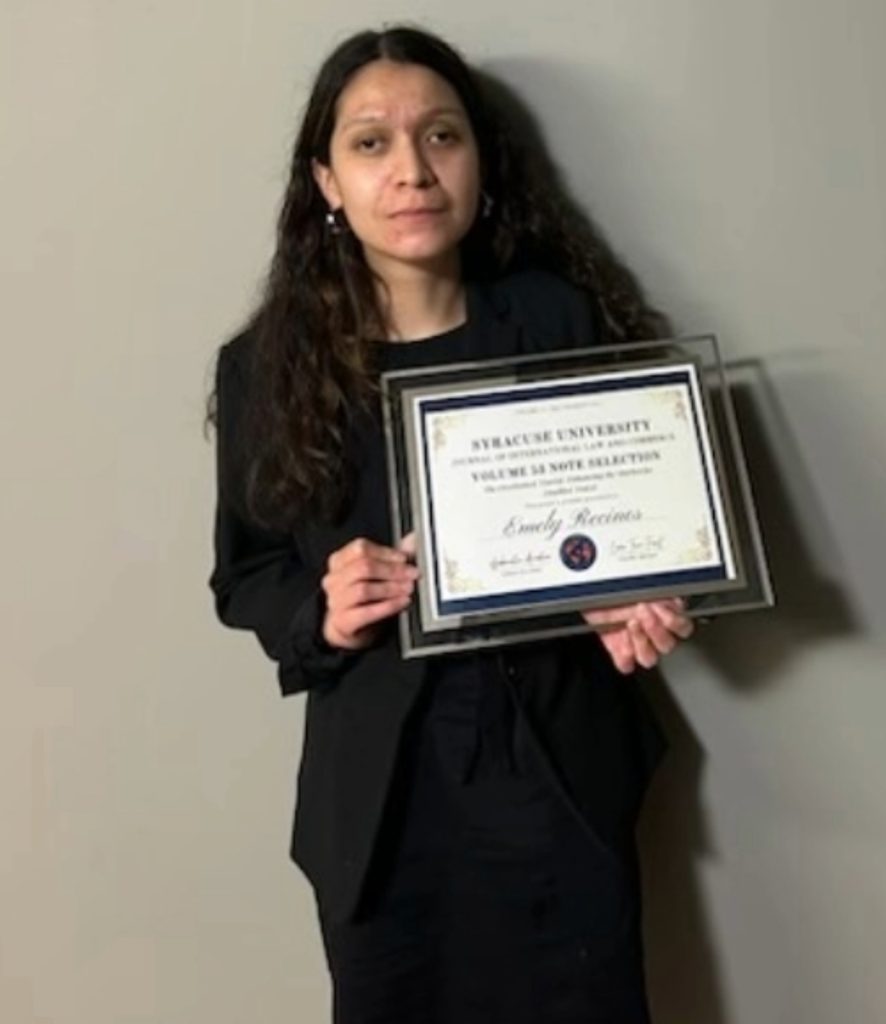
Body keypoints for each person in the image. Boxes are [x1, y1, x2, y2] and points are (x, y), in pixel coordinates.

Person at [208, 24, 694, 1024]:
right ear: (327, 183)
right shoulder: (267, 366)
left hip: (556, 768)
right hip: (384, 800)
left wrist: (635, 591)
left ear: (479, 164)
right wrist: (323, 609)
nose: (412, 170)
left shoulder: (555, 318)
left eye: (441, 137)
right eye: (371, 143)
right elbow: (245, 574)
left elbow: (632, 515)